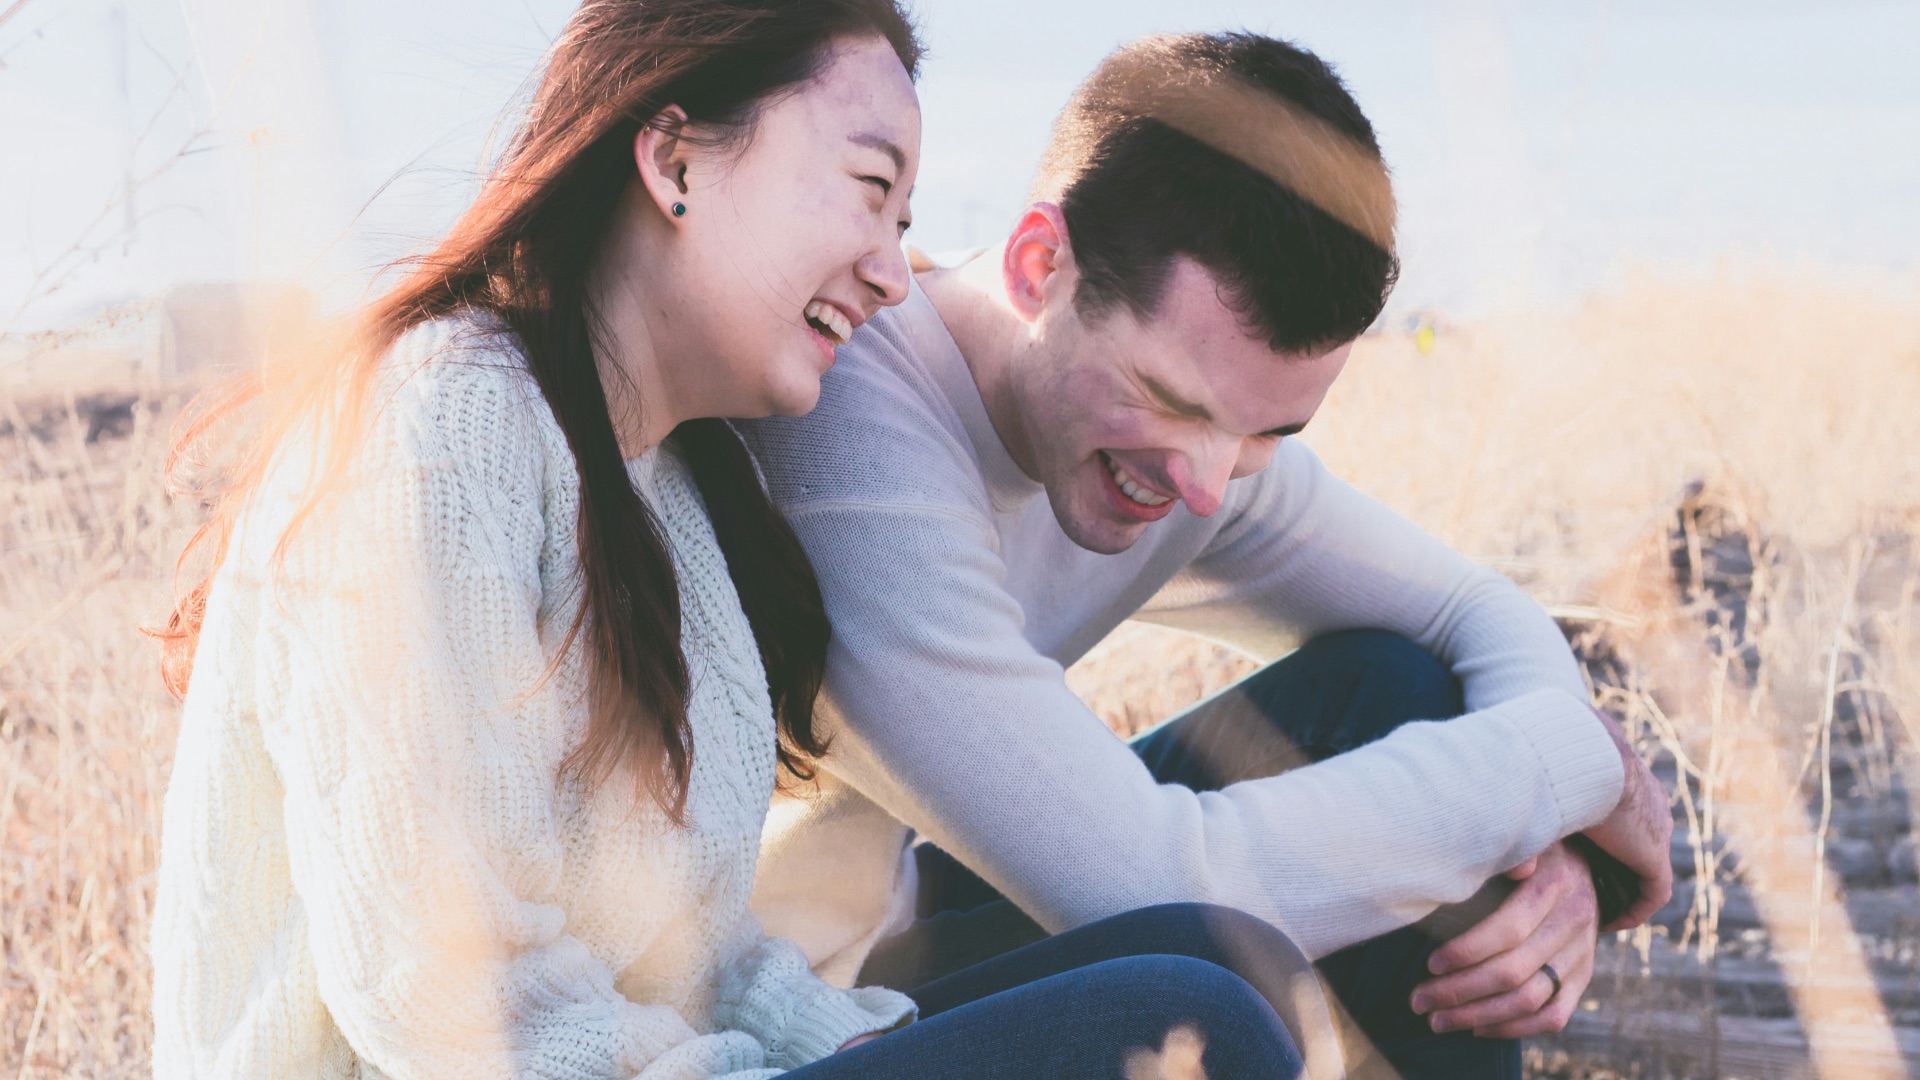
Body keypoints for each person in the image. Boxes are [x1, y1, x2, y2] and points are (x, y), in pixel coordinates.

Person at [147, 4, 1316, 1078]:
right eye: (868, 189)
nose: (891, 275)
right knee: (1193, 1020)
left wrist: (882, 1044)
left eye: (903, 224)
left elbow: (700, 957)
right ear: (675, 159)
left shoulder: (669, 489)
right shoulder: (446, 425)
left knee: (1224, 956)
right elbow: (449, 995)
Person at [739, 31, 1676, 1079]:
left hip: (908, 926)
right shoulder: (851, 426)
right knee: (1215, 984)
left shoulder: (1203, 449)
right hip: (779, 1021)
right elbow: (1152, 887)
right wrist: (1568, 770)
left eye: (1271, 432)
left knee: (1398, 687)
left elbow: (1471, 608)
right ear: (1038, 265)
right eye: (1173, 401)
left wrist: (1544, 855)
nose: (1205, 481)